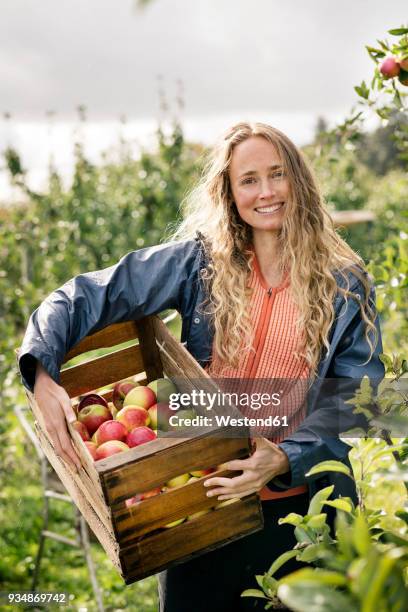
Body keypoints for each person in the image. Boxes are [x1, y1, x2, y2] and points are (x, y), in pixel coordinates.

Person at [19, 122, 384, 611]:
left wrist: (283, 457)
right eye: (249, 180)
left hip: (301, 514)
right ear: (230, 194)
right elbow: (83, 296)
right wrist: (42, 375)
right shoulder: (200, 263)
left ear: (299, 180)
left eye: (278, 175)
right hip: (198, 503)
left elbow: (359, 398)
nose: (267, 191)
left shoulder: (345, 283)